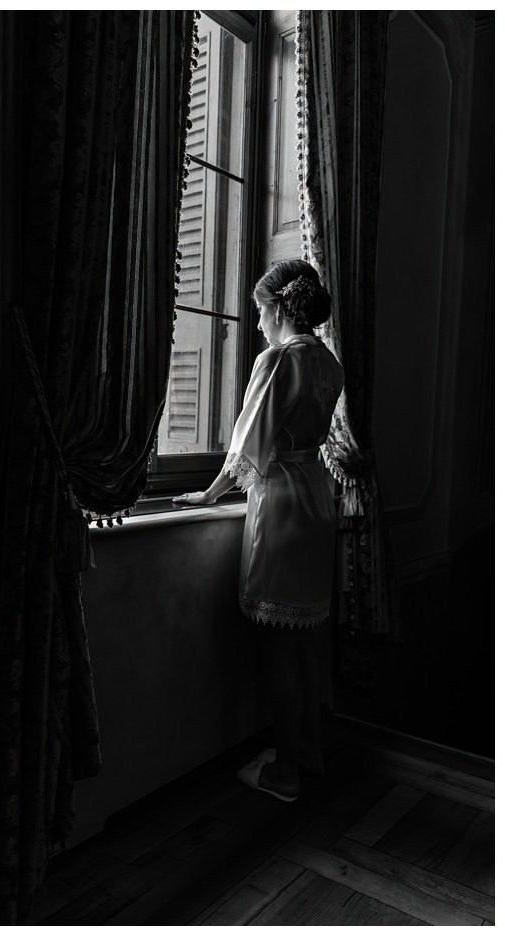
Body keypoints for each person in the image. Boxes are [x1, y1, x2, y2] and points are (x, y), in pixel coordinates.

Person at [171, 259, 345, 802]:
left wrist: (208, 494)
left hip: (284, 504)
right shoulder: (329, 364)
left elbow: (249, 445)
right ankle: (311, 751)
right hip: (318, 497)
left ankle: (286, 771)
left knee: (278, 650)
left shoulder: (276, 360)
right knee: (309, 640)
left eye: (260, 313)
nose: (260, 324)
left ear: (275, 308)